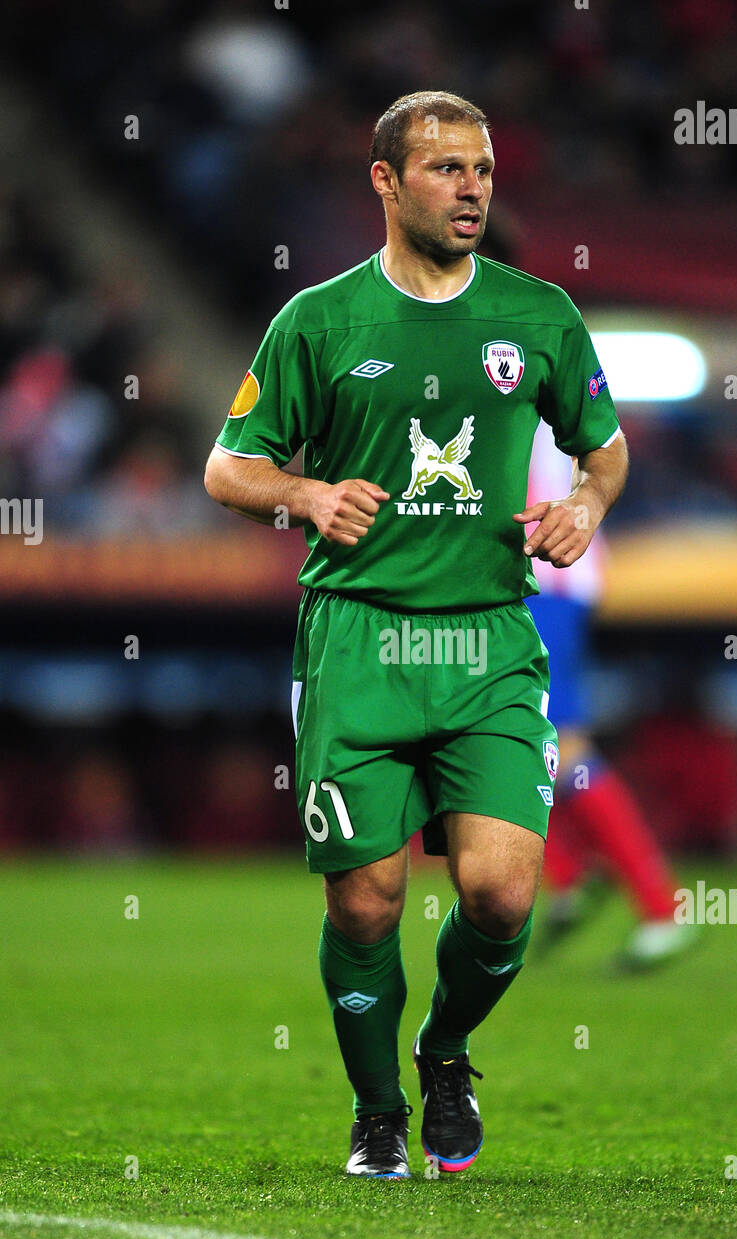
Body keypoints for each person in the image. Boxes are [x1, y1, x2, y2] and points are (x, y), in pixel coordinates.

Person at [204, 91, 628, 1178]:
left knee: (499, 891)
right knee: (367, 897)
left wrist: (585, 503)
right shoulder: (318, 321)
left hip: (488, 638)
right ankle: (377, 1110)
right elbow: (227, 467)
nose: (472, 186)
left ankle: (444, 1052)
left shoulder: (537, 313)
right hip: (356, 642)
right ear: (385, 183)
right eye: (444, 168)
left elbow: (604, 448)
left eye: (482, 168)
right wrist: (299, 496)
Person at [526, 422, 700, 968]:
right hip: (542, 576)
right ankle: (570, 875)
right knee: (515, 736)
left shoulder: (518, 358)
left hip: (543, 576)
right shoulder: (531, 358)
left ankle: (662, 910)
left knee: (564, 746)